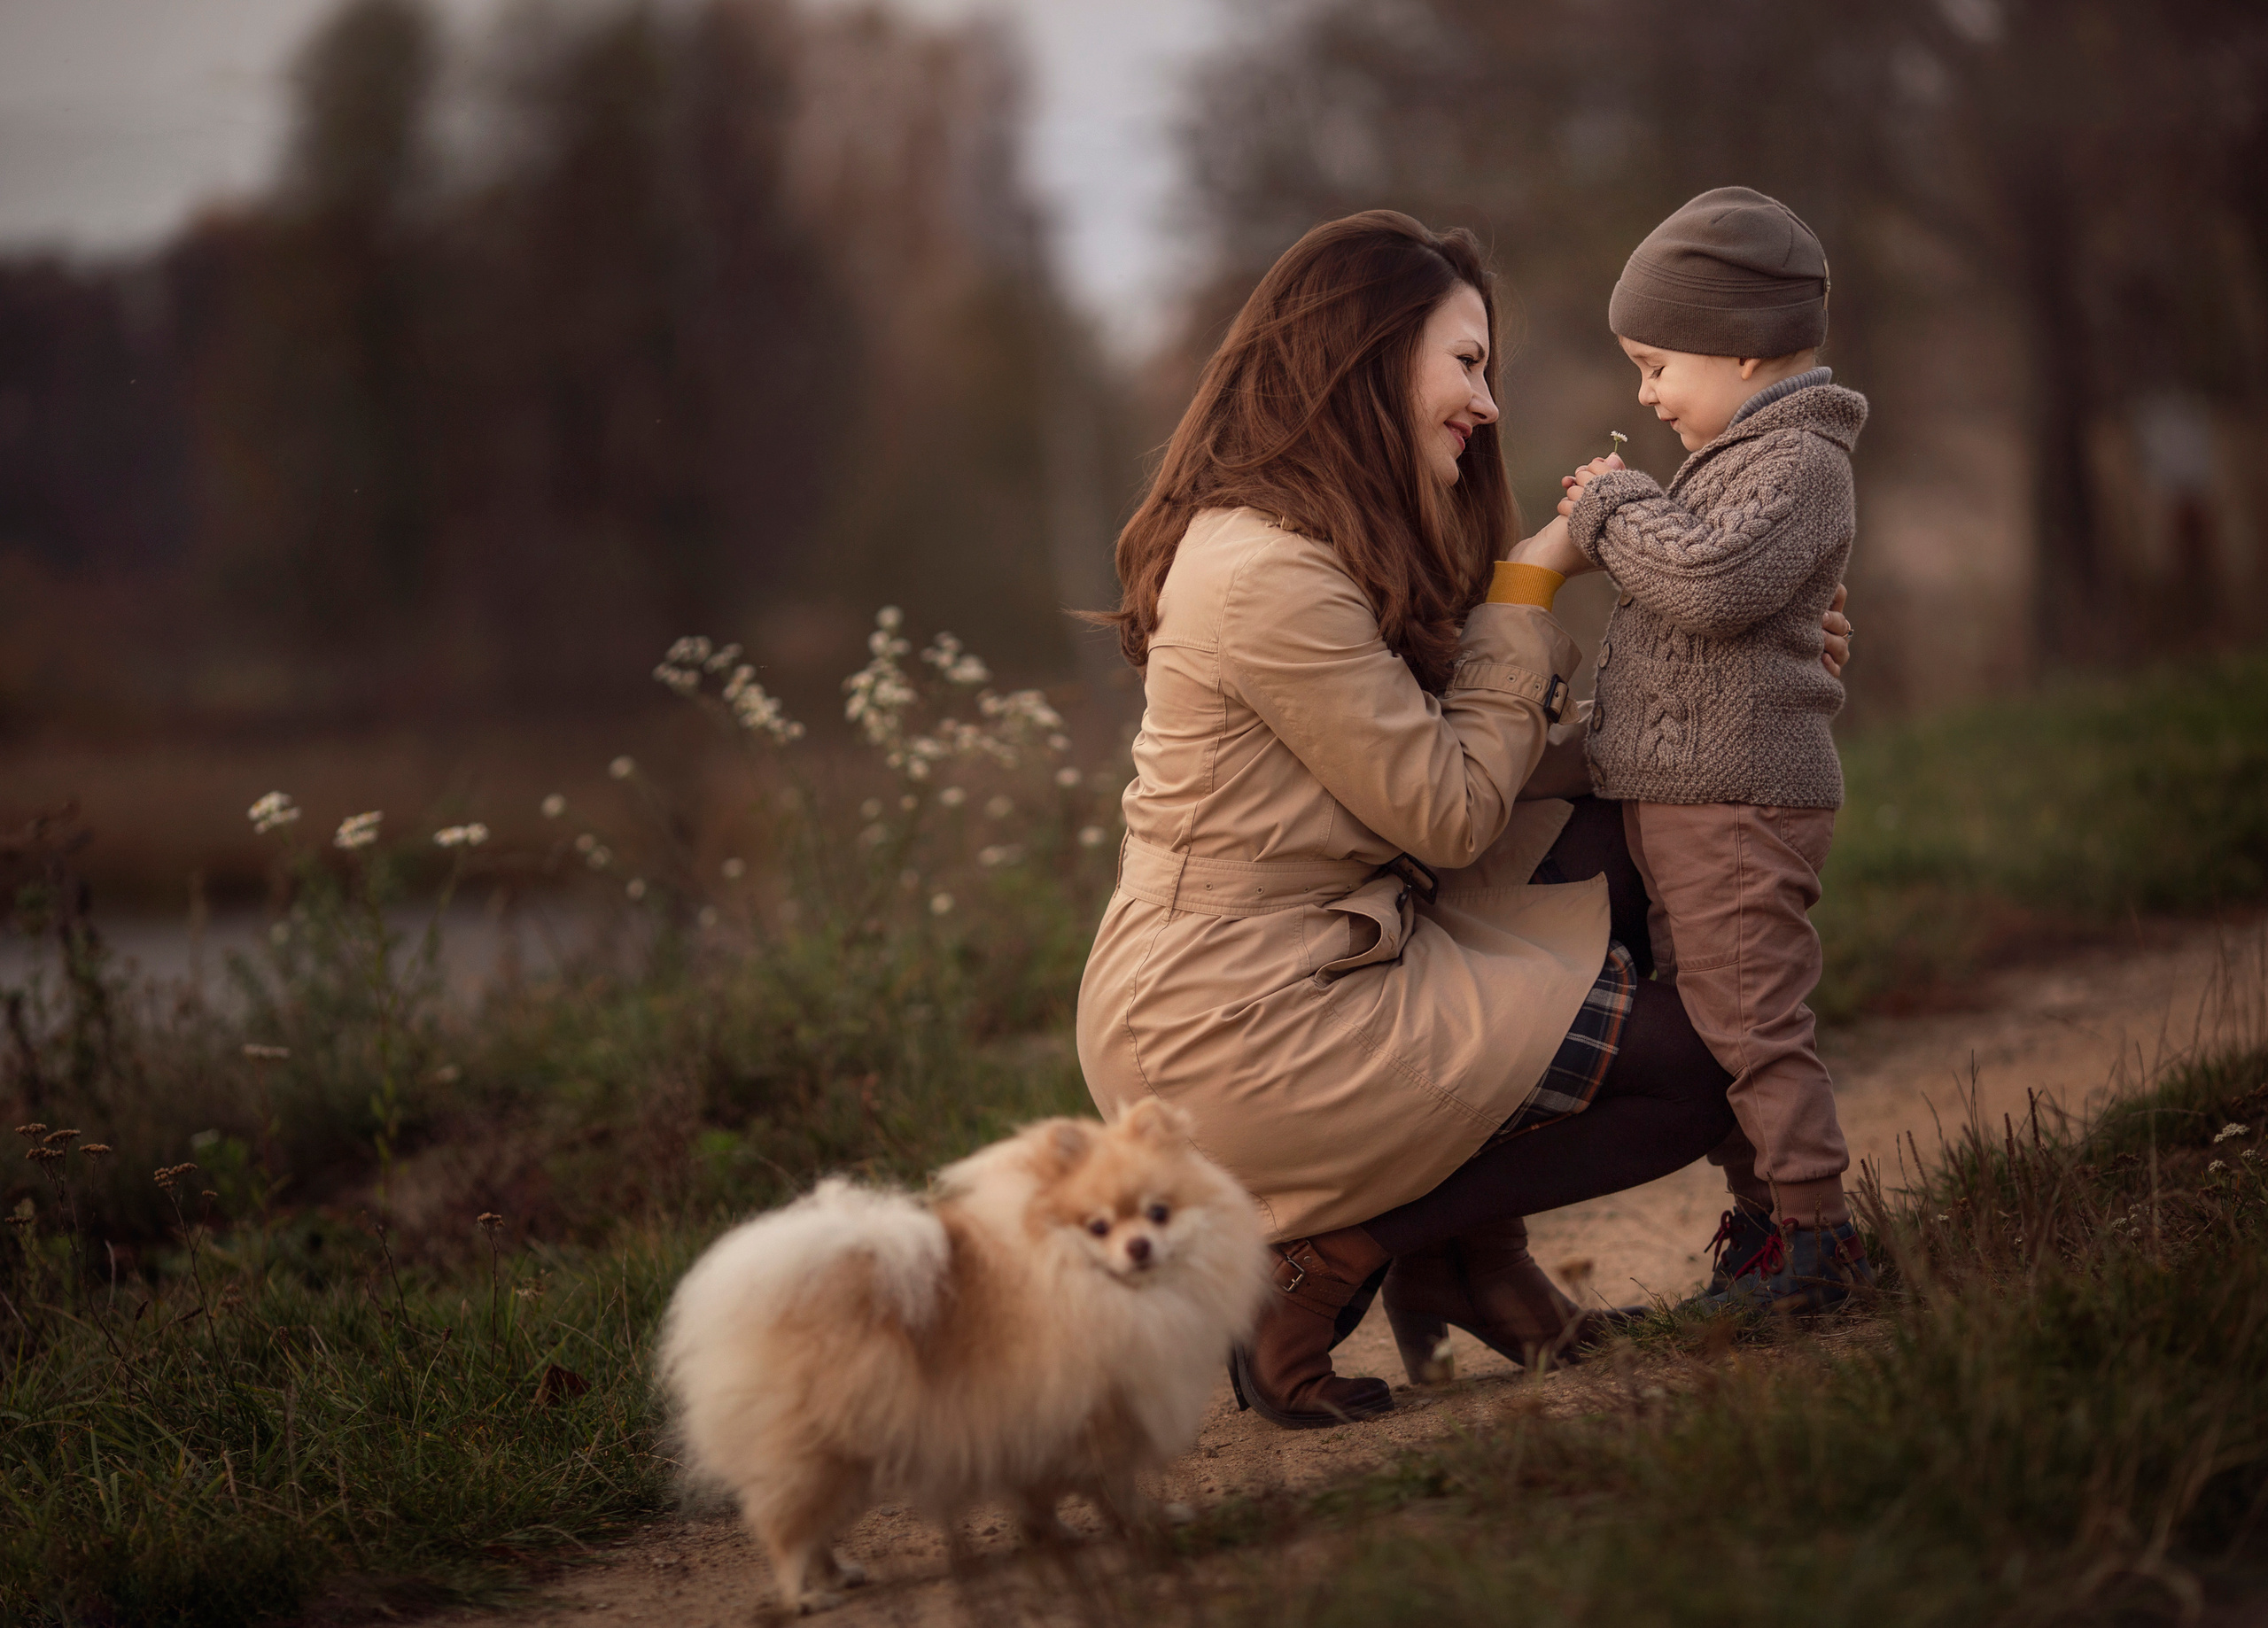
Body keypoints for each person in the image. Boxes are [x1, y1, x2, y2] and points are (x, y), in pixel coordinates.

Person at [1075, 210, 1852, 1430]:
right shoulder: (1263, 572)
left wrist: (1746, 678)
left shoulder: (1324, 537)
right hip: (1235, 1022)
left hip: (1322, 952)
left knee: (1633, 842)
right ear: (1368, 356)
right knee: (1707, 1064)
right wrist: (1526, 589)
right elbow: (1450, 810)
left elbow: (1486, 768)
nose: (1486, 404)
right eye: (1467, 363)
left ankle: (1474, 1265)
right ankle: (1329, 1255)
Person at [1557, 186, 1874, 1310]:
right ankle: (1764, 1229)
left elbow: (1710, 584)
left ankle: (1818, 1235)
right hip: (1692, 798)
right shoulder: (1746, 455)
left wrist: (1613, 507)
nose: (1645, 394)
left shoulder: (1799, 461)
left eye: (1656, 365)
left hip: (1738, 802)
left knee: (1751, 1019)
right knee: (1711, 1024)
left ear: (1739, 349)